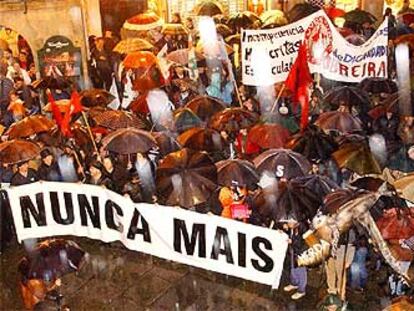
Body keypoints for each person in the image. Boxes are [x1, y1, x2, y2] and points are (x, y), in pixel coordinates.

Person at [283, 220, 308, 300]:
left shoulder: (303, 228)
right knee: (293, 269)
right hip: (293, 252)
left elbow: (305, 243)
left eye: (289, 222)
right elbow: (290, 235)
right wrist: (283, 231)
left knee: (301, 272)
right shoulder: (292, 227)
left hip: (301, 254)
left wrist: (292, 242)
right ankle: (294, 283)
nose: (287, 224)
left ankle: (301, 291)